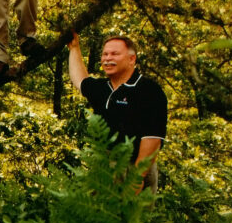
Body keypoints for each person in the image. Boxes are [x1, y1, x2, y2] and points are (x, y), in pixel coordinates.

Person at [67, 33, 167, 193]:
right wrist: (74, 48)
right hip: (103, 168)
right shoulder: (102, 89)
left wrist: (137, 178)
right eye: (105, 54)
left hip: (133, 169)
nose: (107, 58)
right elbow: (80, 80)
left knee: (131, 218)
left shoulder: (149, 90)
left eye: (115, 54)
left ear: (131, 59)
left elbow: (153, 139)